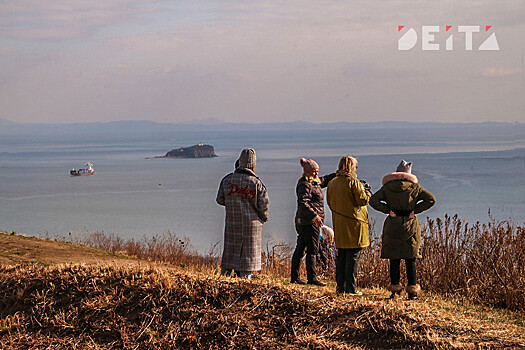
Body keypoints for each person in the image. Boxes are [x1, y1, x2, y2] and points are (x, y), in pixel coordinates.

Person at [369, 160, 436, 300]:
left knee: (394, 258)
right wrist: (415, 210)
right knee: (410, 258)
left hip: (393, 224)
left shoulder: (387, 187)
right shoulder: (414, 188)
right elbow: (431, 199)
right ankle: (412, 292)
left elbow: (373, 201)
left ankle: (395, 291)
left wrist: (388, 210)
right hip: (410, 225)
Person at [216, 148, 269, 279]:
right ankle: (246, 279)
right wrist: (262, 218)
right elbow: (264, 208)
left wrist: (233, 203)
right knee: (248, 258)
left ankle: (223, 278)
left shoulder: (227, 180)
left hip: (232, 223)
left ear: (240, 162)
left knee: (230, 253)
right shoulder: (257, 183)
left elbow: (220, 199)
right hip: (251, 226)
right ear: (253, 165)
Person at [327, 155, 371, 295]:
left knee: (342, 257)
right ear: (351, 167)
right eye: (355, 166)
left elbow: (329, 201)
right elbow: (362, 200)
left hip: (339, 224)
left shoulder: (332, 183)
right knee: (353, 256)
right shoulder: (354, 183)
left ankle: (340, 287)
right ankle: (351, 288)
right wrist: (367, 192)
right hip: (354, 224)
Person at [290, 158, 335, 286]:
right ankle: (312, 278)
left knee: (301, 248)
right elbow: (303, 203)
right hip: (308, 221)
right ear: (307, 172)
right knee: (312, 249)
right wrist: (315, 216)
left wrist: (338, 174)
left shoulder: (315, 182)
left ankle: (295, 277)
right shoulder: (305, 184)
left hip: (306, 220)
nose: (316, 174)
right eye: (313, 172)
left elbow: (325, 179)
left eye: (317, 171)